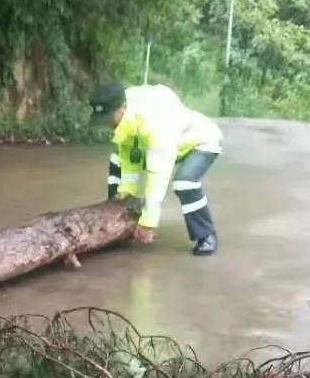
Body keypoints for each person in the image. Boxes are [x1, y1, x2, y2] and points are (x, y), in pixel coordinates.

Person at [89, 81, 222, 255]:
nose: (106, 124)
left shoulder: (155, 120)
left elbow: (158, 174)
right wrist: (125, 193)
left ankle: (206, 235)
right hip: (165, 146)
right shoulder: (126, 115)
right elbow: (130, 157)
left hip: (201, 141)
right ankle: (116, 218)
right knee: (117, 160)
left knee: (184, 182)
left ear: (122, 108)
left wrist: (148, 222)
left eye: (109, 117)